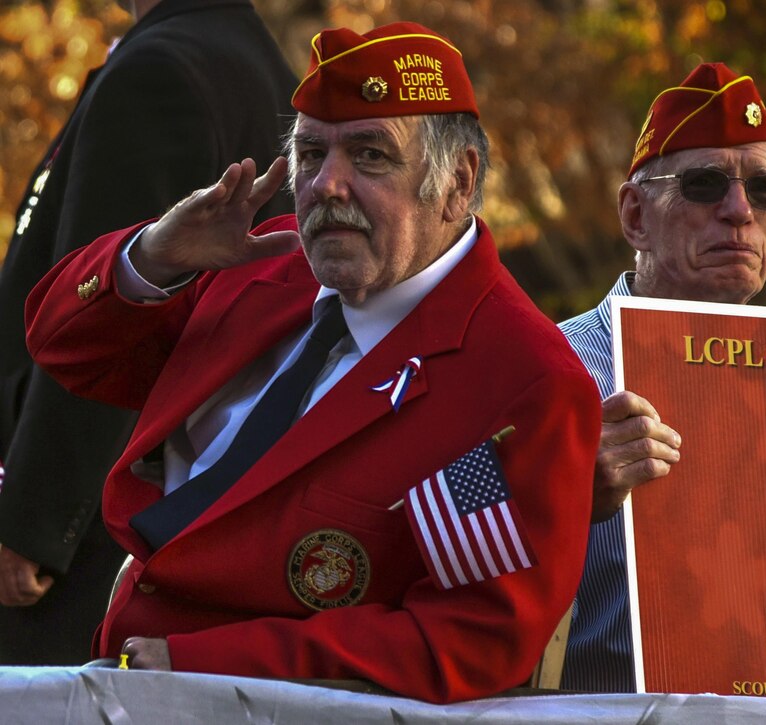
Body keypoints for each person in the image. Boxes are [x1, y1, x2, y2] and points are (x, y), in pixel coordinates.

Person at [24, 22, 599, 704]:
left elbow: (475, 636)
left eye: (370, 155)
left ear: (457, 182)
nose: (326, 185)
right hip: (113, 679)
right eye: (310, 154)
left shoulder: (517, 382)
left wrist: (207, 666)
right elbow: (67, 351)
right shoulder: (259, 266)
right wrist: (155, 256)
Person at [0, 0, 297, 665]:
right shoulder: (257, 61)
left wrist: (33, 525)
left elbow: (104, 321)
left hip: (97, 529)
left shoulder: (158, 70)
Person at [559, 63, 766, 691]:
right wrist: (559, 496)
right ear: (635, 215)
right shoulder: (545, 370)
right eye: (705, 184)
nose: (740, 210)